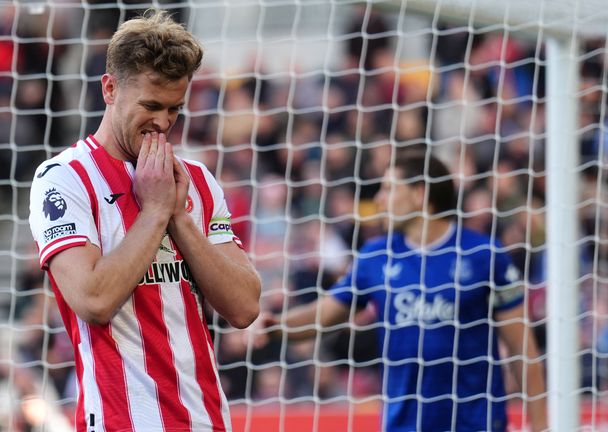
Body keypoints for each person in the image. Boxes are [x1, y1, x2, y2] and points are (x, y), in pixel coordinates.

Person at [28, 10, 261, 432]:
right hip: (121, 423)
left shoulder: (198, 181)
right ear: (110, 88)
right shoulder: (62, 180)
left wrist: (178, 216)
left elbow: (244, 307)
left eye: (174, 109)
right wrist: (154, 212)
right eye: (151, 105)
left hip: (206, 421)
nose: (163, 123)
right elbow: (94, 301)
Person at [256, 151, 547, 431]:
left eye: (389, 189)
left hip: (475, 423)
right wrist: (275, 325)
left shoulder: (484, 256)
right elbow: (324, 314)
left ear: (420, 194)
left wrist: (541, 427)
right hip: (404, 425)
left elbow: (523, 352)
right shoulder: (375, 256)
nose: (380, 200)